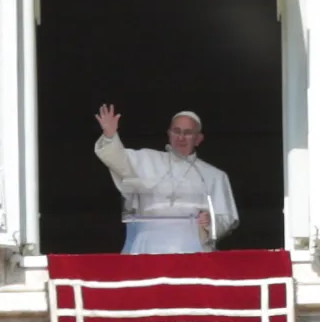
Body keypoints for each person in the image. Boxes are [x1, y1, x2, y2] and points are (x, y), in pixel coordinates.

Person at [94, 104, 239, 254]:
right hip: (148, 247)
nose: (181, 137)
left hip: (192, 250)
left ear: (198, 139)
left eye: (188, 132)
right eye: (176, 131)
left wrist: (210, 221)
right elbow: (119, 160)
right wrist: (110, 136)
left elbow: (226, 218)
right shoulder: (148, 159)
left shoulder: (213, 175)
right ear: (169, 134)